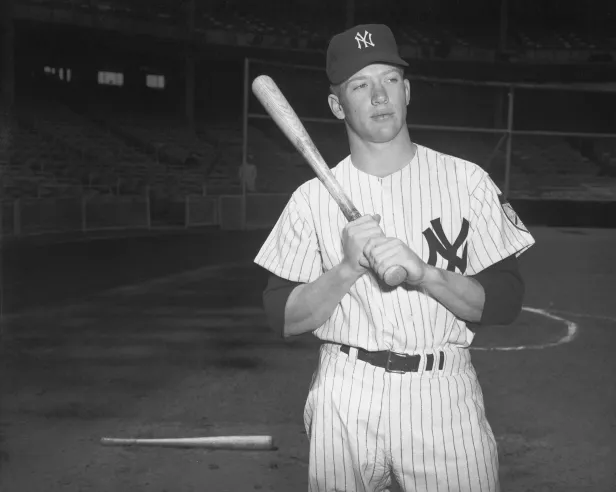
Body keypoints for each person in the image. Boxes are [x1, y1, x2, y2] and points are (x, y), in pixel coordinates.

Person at [254, 24, 535, 492]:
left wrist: (426, 275)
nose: (379, 95)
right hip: (345, 394)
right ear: (337, 105)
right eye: (361, 85)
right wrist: (346, 269)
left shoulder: (467, 182)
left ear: (407, 91)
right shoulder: (309, 200)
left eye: (389, 80)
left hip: (441, 394)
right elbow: (281, 318)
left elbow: (505, 302)